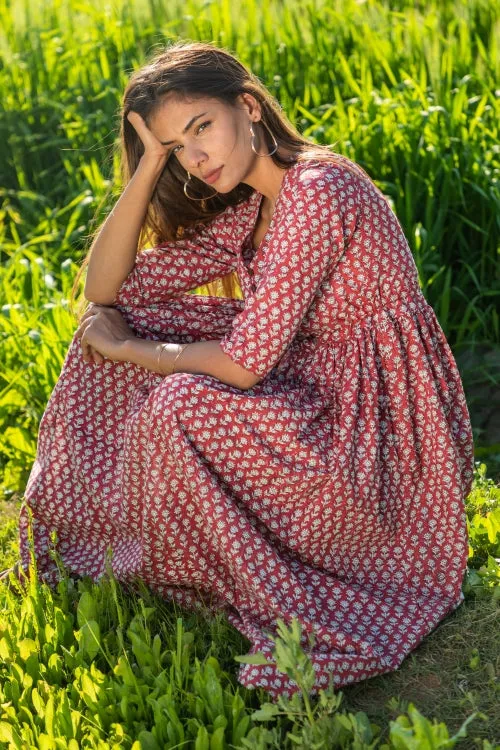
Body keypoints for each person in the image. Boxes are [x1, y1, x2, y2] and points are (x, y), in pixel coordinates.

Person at [2, 40, 474, 698]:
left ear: (247, 105)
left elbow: (246, 366)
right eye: (177, 148)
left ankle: (244, 577)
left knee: (172, 393)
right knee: (121, 334)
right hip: (318, 393)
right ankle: (127, 541)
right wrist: (147, 171)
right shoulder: (254, 208)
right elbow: (108, 288)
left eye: (202, 128)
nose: (199, 157)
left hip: (373, 441)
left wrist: (133, 350)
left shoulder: (317, 188)